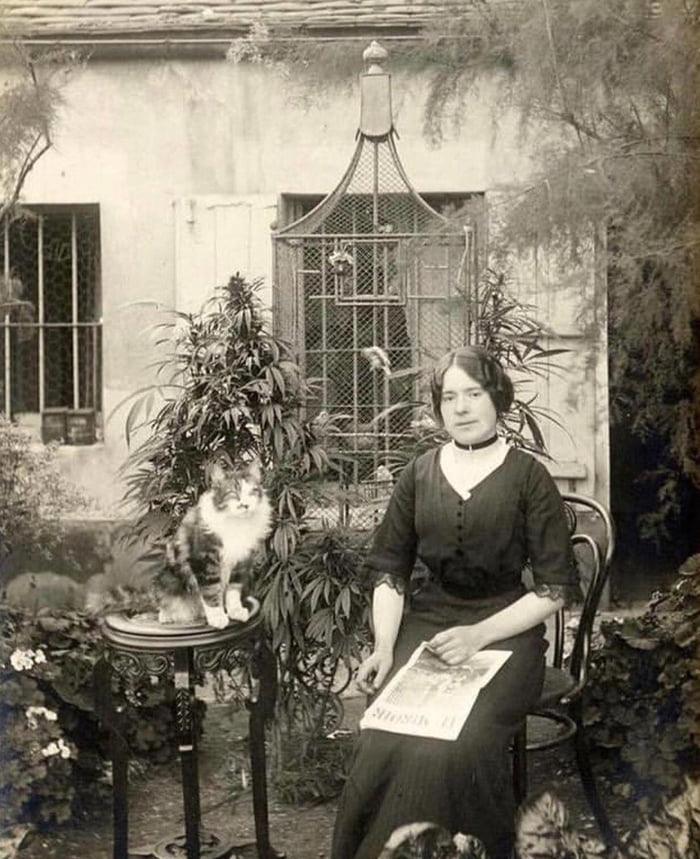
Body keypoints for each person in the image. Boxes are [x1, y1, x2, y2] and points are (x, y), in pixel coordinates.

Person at [331, 345, 578, 859]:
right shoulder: (419, 473)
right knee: (385, 730)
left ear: (497, 399)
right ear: (438, 407)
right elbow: (390, 571)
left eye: (474, 394)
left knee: (460, 739)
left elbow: (554, 589)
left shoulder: (528, 476)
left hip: (506, 635)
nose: (461, 407)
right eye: (449, 397)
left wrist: (477, 636)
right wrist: (383, 647)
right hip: (430, 626)